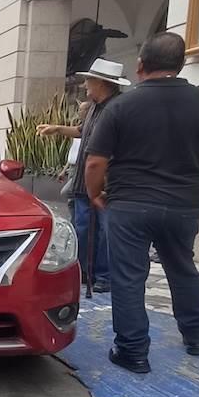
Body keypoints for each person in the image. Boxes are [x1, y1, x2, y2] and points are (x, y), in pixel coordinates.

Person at [84, 32, 199, 374]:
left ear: (140, 66)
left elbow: (95, 162)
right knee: (182, 268)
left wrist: (94, 194)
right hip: (184, 205)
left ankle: (133, 351)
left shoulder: (122, 105)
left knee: (129, 276)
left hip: (130, 203)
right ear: (180, 65)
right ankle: (196, 337)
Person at [38, 58, 130, 293]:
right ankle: (84, 272)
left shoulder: (116, 108)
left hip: (102, 184)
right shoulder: (95, 108)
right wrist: (57, 129)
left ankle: (104, 276)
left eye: (89, 80)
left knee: (103, 232)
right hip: (83, 183)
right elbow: (82, 131)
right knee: (82, 229)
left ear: (101, 82)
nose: (85, 84)